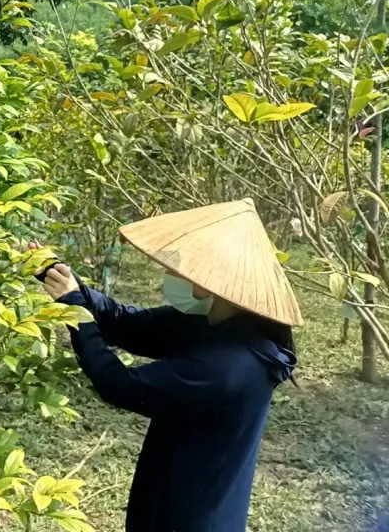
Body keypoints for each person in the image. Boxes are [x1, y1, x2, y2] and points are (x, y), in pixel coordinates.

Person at [37, 199, 301, 532]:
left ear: (211, 279)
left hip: (187, 518)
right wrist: (65, 280)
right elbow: (125, 323)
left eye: (180, 267)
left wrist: (74, 308)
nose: (170, 273)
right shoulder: (216, 324)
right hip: (178, 497)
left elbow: (118, 383)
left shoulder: (229, 367)